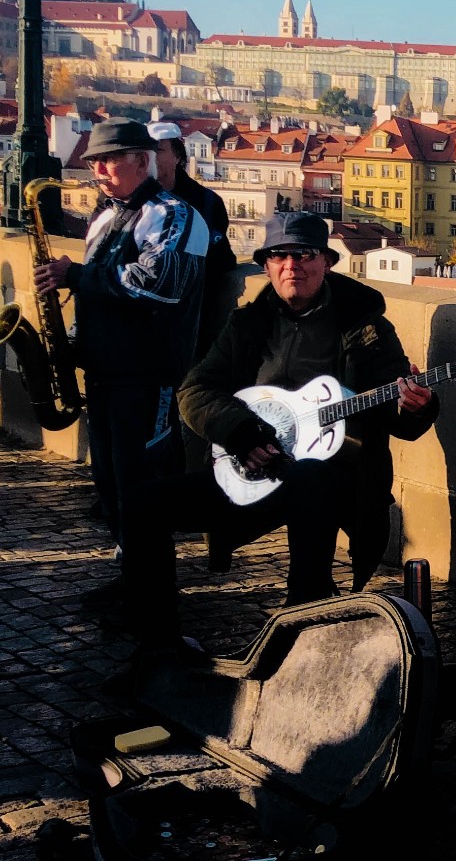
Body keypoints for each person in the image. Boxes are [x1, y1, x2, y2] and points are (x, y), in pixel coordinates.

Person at [117, 211, 435, 639]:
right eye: (280, 256)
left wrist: (415, 406)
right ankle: (155, 638)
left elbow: (397, 419)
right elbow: (194, 391)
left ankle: (304, 611)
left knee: (312, 476)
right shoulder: (247, 325)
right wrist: (240, 433)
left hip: (339, 481)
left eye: (304, 255)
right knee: (141, 503)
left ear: (326, 261)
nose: (292, 266)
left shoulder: (365, 328)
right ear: (266, 265)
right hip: (256, 465)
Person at [34, 119, 207, 568]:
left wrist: (74, 275)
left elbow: (157, 285)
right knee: (109, 480)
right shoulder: (106, 216)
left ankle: (150, 594)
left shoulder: (174, 215)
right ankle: (128, 575)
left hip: (146, 374)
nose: (100, 171)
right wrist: (69, 341)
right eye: (94, 162)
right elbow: (98, 296)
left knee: (142, 483)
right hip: (105, 368)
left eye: (110, 160)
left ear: (142, 160)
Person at [147, 120, 239, 356]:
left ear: (178, 156)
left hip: (195, 321)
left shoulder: (208, 202)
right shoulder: (132, 201)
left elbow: (222, 264)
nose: (150, 157)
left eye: (158, 149)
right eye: (145, 151)